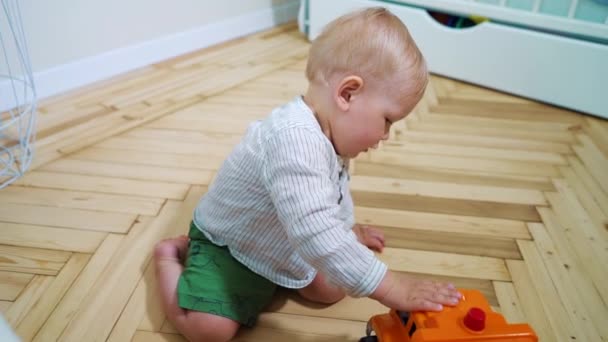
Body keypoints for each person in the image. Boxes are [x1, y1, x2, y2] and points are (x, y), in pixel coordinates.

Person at [154, 7, 462, 342]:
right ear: (347, 94)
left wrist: (347, 231)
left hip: (282, 238)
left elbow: (329, 196)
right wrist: (389, 286)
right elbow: (313, 227)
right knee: (210, 331)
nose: (386, 135)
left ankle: (278, 275)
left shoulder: (331, 134)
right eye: (388, 119)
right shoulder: (293, 140)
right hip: (232, 246)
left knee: (331, 289)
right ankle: (169, 259)